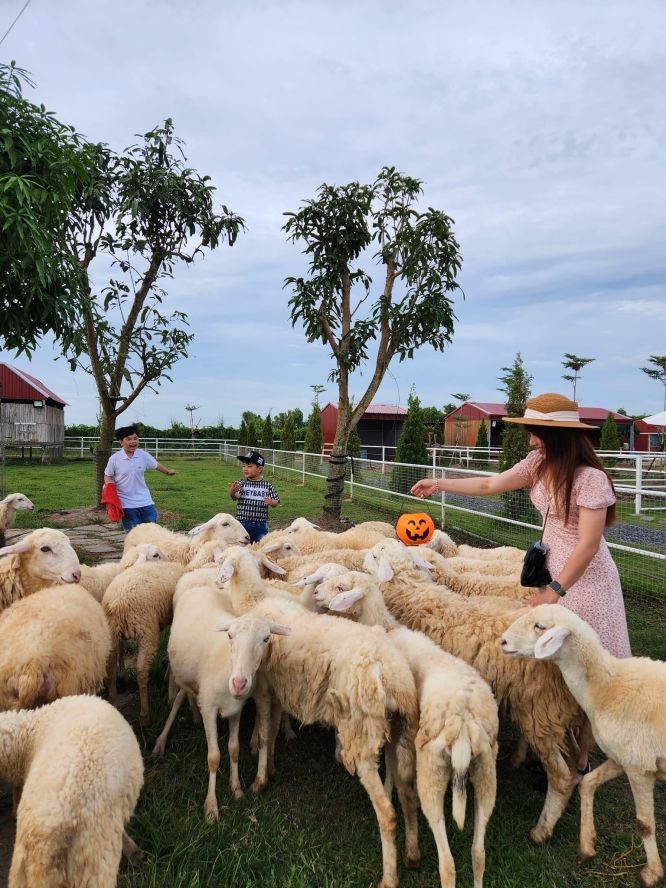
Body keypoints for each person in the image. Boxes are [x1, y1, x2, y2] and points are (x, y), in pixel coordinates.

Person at [411, 392, 631, 780]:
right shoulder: (539, 463)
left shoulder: (590, 479)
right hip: (556, 575)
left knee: (590, 668)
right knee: (555, 668)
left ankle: (580, 759)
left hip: (586, 582)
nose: (530, 438)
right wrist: (438, 483)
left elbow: (589, 544)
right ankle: (553, 740)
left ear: (558, 435)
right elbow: (490, 485)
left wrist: (556, 590)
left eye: (536, 431)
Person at [103, 424, 176, 532]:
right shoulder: (115, 459)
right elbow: (107, 475)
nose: (133, 442)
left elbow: (156, 465)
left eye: (135, 438)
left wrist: (168, 471)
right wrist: (109, 489)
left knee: (152, 531)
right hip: (126, 503)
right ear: (121, 442)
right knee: (134, 533)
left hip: (145, 501)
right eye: (129, 439)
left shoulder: (143, 455)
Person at [228, 450, 280, 543]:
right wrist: (232, 492)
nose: (245, 469)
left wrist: (272, 502)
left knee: (260, 546)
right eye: (244, 466)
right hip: (242, 523)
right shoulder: (241, 483)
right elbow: (236, 496)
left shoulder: (267, 485)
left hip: (260, 525)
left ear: (259, 469)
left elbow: (276, 502)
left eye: (249, 466)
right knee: (242, 546)